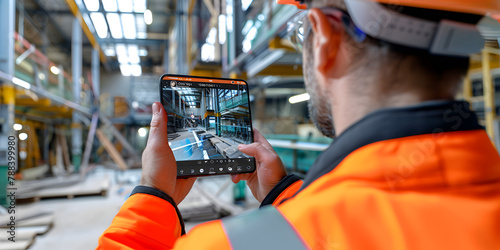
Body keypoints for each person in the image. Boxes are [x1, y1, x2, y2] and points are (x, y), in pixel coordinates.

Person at [97, 0, 500, 249]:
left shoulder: (237, 245)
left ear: (324, 38)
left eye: (299, 32)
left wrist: (152, 195)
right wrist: (284, 194)